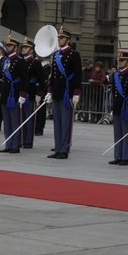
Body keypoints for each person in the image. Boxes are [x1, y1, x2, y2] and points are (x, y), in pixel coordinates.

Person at [47, 27, 81, 159]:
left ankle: (64, 150)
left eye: (62, 38)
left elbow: (78, 74)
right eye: (59, 38)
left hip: (68, 92)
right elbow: (53, 75)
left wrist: (77, 92)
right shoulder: (55, 55)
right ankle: (58, 147)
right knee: (57, 122)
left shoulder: (73, 54)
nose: (59, 40)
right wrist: (50, 91)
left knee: (65, 122)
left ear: (68, 39)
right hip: (57, 91)